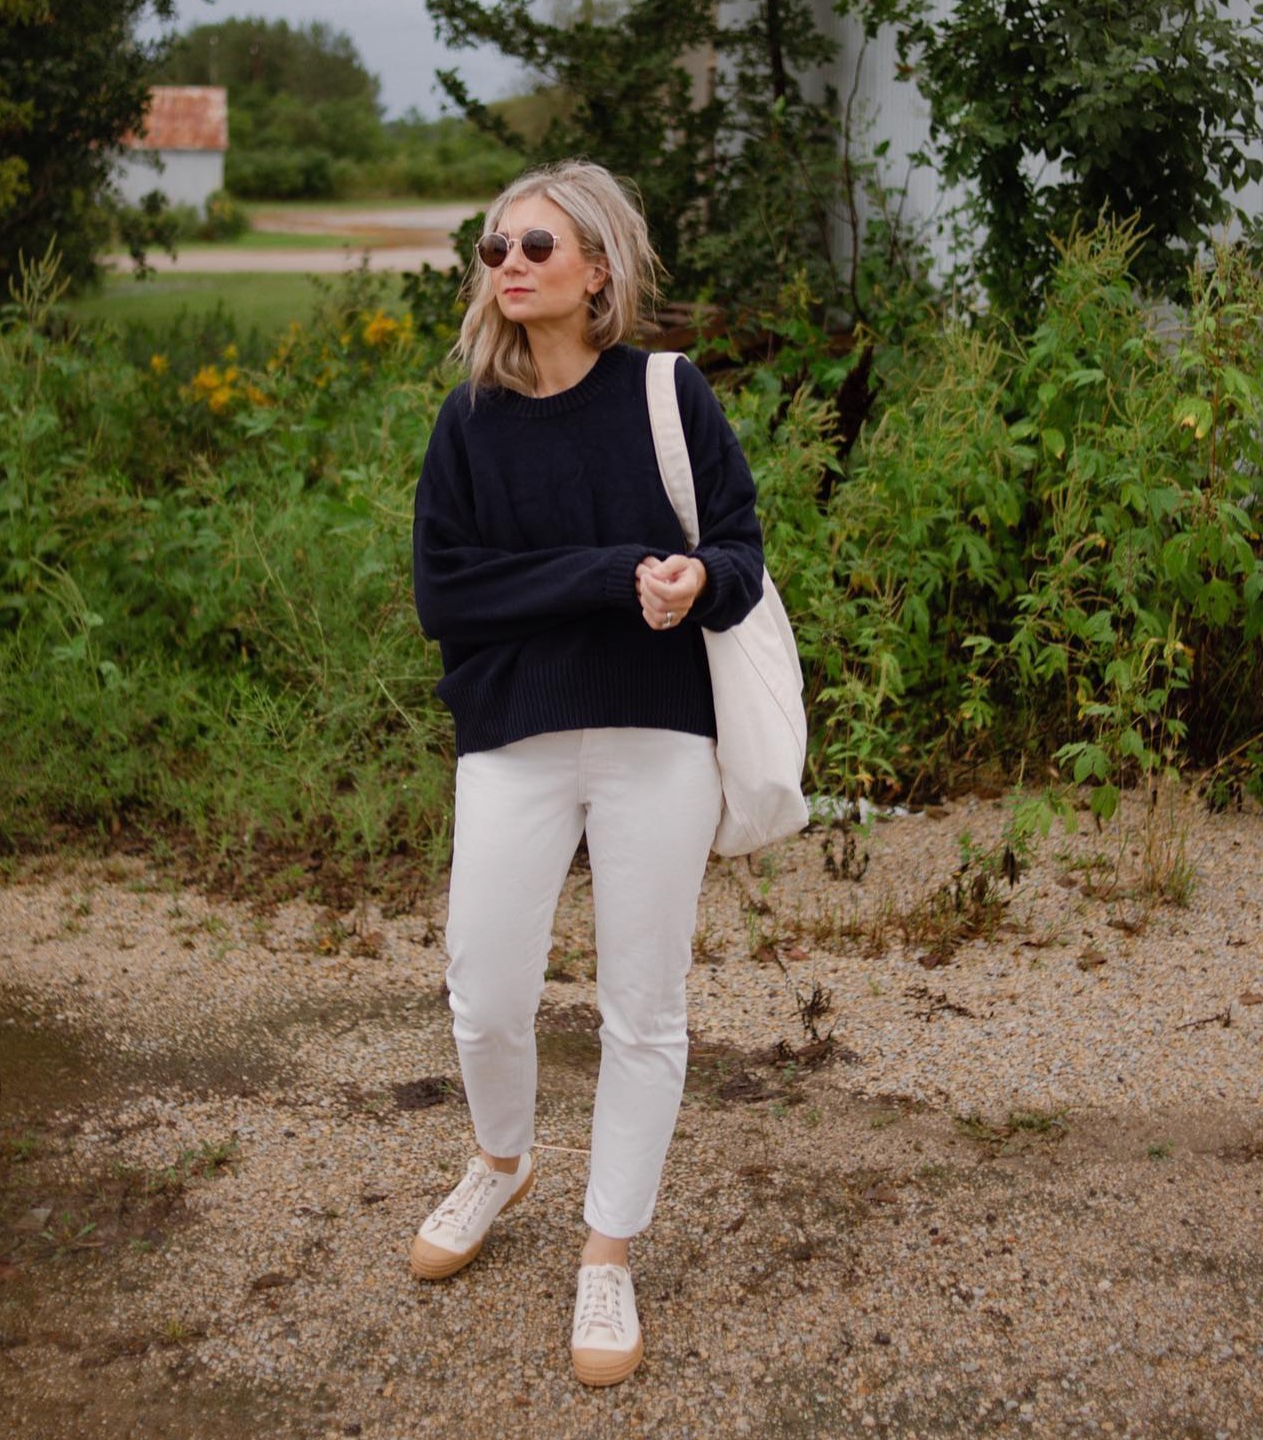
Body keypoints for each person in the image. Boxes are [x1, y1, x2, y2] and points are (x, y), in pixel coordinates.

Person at [408, 159, 765, 1387]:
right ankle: (502, 1161)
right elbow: (444, 596)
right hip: (511, 734)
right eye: (496, 248)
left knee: (643, 1010)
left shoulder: (669, 394)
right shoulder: (470, 423)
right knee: (485, 990)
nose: (510, 265)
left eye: (537, 248)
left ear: (597, 270)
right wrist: (611, 572)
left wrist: (694, 581)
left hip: (657, 732)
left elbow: (742, 554)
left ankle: (606, 1247)